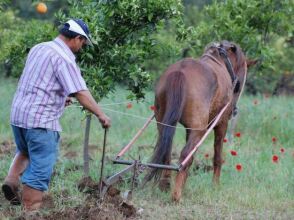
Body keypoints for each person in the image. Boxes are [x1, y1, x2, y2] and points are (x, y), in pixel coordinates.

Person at [1, 19, 111, 211]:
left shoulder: (39, 48)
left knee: (25, 151)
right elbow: (81, 92)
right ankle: (30, 211)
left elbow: (40, 81)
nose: (82, 47)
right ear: (77, 38)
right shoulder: (64, 58)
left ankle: (11, 182)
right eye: (83, 42)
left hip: (19, 116)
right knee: (40, 168)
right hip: (40, 122)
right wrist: (101, 115)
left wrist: (60, 98)